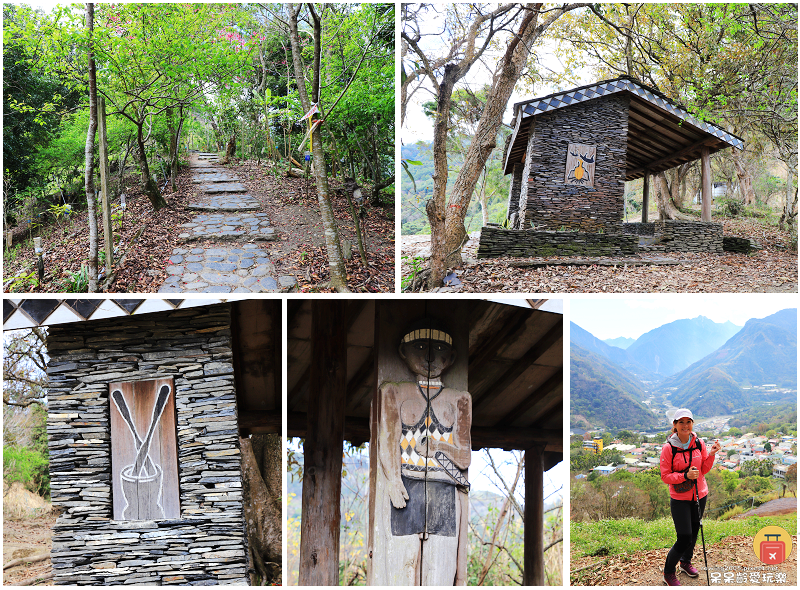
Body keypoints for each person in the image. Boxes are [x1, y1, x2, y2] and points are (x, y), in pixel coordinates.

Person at [370, 321, 471, 585]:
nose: (429, 356)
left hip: (445, 491)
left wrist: (439, 446)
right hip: (405, 488)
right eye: (421, 347)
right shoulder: (394, 392)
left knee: (440, 568)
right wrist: (392, 479)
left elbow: (464, 458)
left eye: (439, 349)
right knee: (403, 564)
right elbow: (387, 439)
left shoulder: (459, 398)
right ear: (403, 352)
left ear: (451, 358)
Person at [660, 409, 721, 586]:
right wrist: (685, 476)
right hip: (679, 498)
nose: (685, 425)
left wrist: (711, 454)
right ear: (675, 425)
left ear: (692, 423)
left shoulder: (699, 443)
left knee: (694, 532)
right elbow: (665, 477)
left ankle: (686, 562)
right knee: (684, 536)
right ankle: (668, 572)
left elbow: (704, 469)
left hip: (700, 494)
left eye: (689, 421)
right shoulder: (669, 448)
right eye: (681, 422)